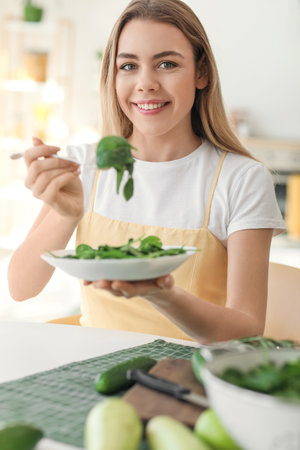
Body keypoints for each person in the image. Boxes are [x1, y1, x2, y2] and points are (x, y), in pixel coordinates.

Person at [8, 0, 285, 344]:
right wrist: (67, 214)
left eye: (166, 64)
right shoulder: (86, 164)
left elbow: (246, 328)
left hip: (188, 375)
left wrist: (160, 292)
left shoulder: (240, 179)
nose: (145, 83)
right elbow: (20, 288)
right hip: (94, 370)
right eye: (128, 66)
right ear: (112, 76)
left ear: (202, 73)